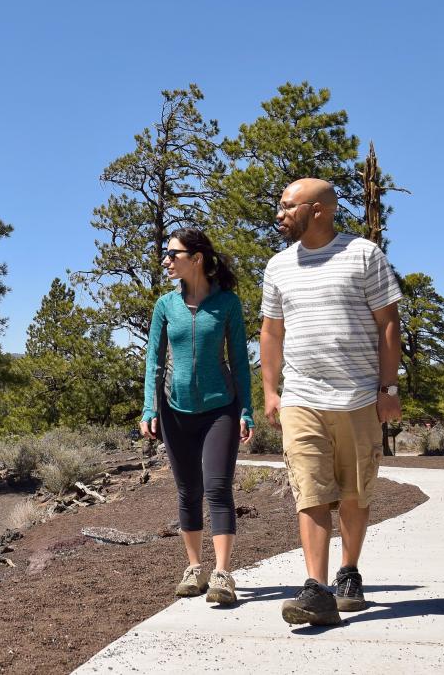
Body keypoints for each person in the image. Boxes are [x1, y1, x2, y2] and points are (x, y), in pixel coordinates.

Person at [259, 178, 402, 626]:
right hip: (302, 396)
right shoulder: (278, 266)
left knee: (355, 493)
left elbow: (388, 323)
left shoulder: (364, 255)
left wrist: (388, 389)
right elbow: (271, 331)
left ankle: (348, 572)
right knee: (310, 492)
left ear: (318, 210)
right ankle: (316, 589)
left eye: (288, 206)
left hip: (358, 396)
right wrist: (270, 390)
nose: (280, 214)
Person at [141, 227, 253, 605]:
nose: (166, 261)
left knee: (217, 487)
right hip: (174, 410)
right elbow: (154, 361)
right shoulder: (165, 306)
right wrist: (149, 407)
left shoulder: (227, 304)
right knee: (189, 490)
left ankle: (222, 573)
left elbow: (240, 362)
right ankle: (194, 568)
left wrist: (247, 410)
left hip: (221, 408)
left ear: (197, 258)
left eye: (173, 254)